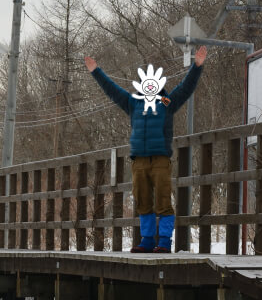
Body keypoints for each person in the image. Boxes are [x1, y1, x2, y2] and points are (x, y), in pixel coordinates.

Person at [84, 46, 206, 253]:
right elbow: (112, 90)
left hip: (160, 159)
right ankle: (147, 240)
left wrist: (197, 67)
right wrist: (96, 71)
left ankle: (164, 241)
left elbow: (185, 89)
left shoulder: (166, 102)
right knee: (142, 200)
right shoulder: (133, 104)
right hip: (139, 161)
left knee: (163, 199)